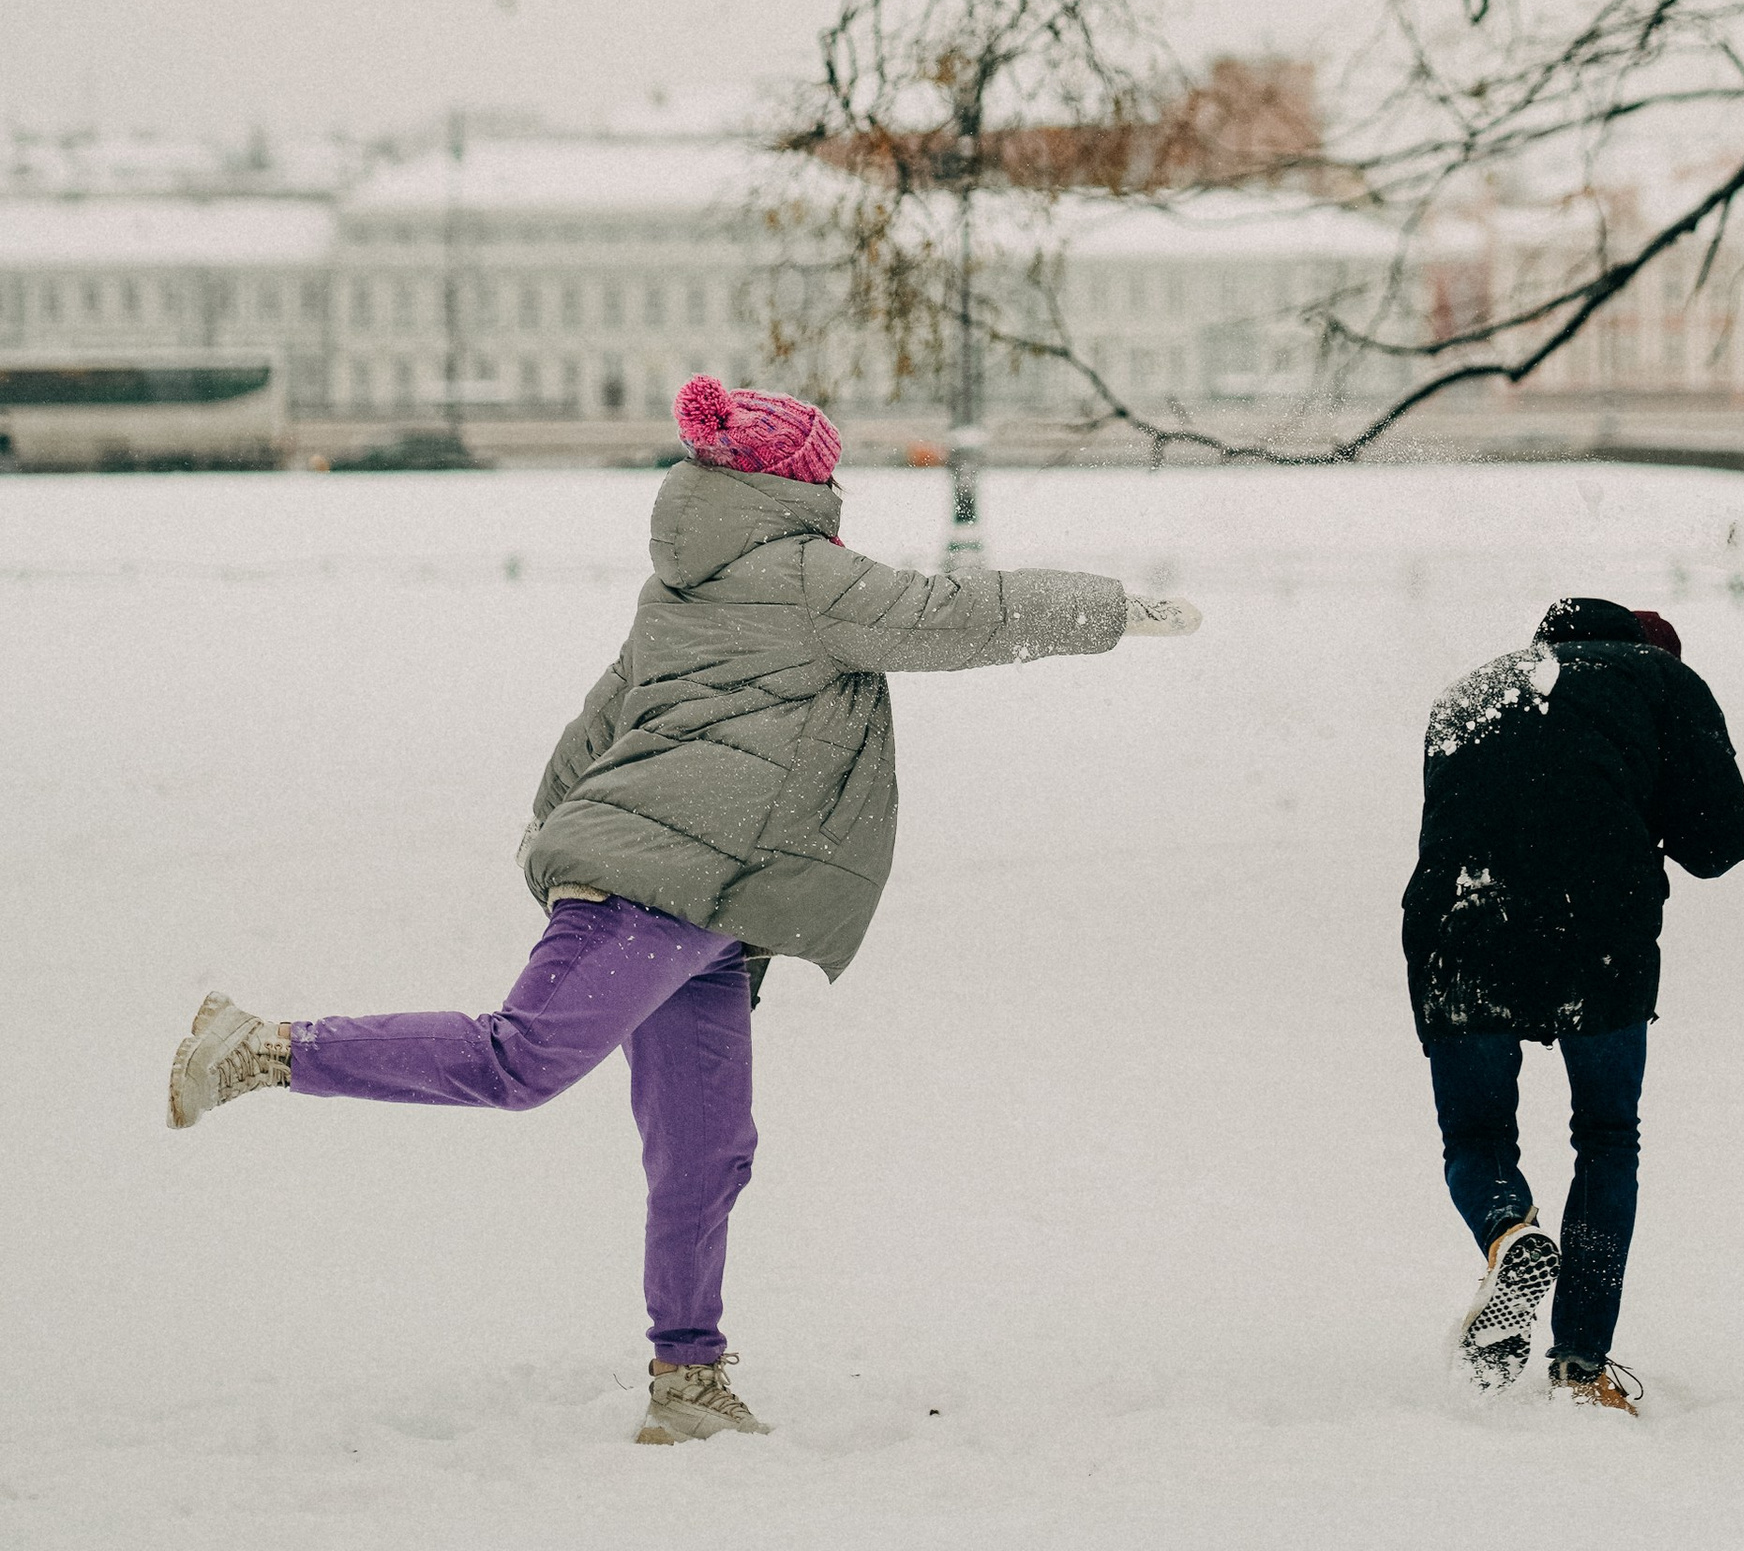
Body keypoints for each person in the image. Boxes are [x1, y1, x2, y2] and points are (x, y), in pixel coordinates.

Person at [165, 371, 1201, 1444]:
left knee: (708, 1148)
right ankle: (262, 1049)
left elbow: (604, 716)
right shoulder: (807, 577)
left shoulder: (684, 584)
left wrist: (549, 827)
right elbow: (952, 617)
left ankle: (687, 1381)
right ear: (796, 480)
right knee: (518, 1062)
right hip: (658, 884)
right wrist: (1111, 610)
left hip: (709, 906)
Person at [1403, 595, 1744, 1414]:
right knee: (1604, 1135)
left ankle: (1507, 1235)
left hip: (1459, 921)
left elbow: (1467, 813)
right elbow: (1718, 842)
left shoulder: (1468, 690)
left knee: (1477, 1134)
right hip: (1596, 929)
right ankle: (1580, 1365)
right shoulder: (1663, 680)